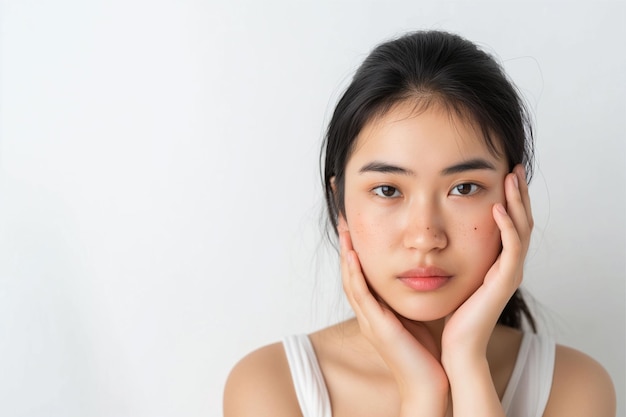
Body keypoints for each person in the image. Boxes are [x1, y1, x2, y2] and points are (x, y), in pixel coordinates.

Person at [223, 30, 615, 417]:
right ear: (339, 202)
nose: (425, 237)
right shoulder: (273, 386)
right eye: (388, 190)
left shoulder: (573, 386)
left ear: (515, 202)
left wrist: (466, 363)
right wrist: (422, 393)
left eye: (463, 188)